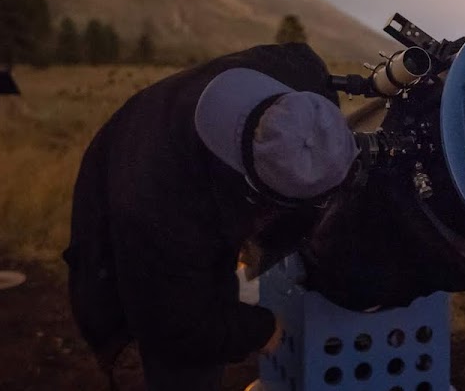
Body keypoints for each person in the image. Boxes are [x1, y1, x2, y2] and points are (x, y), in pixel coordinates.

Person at [63, 42, 359, 390]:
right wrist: (260, 329)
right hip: (120, 237)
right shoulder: (162, 208)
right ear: (253, 191)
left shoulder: (299, 73)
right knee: (180, 364)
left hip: (170, 157)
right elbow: (178, 326)